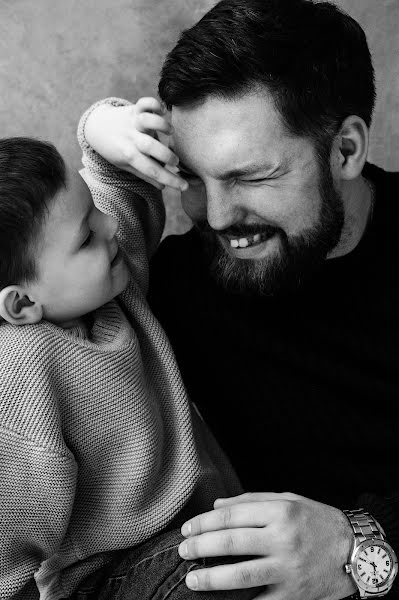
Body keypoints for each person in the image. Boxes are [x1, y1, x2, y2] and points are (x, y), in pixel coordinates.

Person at [148, 0, 399, 598]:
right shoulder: (171, 285)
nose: (214, 217)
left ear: (345, 150)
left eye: (250, 177)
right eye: (191, 176)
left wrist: (355, 545)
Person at [0, 98, 261, 600]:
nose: (109, 226)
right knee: (225, 567)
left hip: (200, 527)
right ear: (22, 303)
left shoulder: (111, 283)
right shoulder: (19, 376)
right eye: (85, 238)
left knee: (259, 552)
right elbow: (10, 529)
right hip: (109, 576)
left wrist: (104, 125)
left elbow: (115, 178)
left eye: (93, 209)